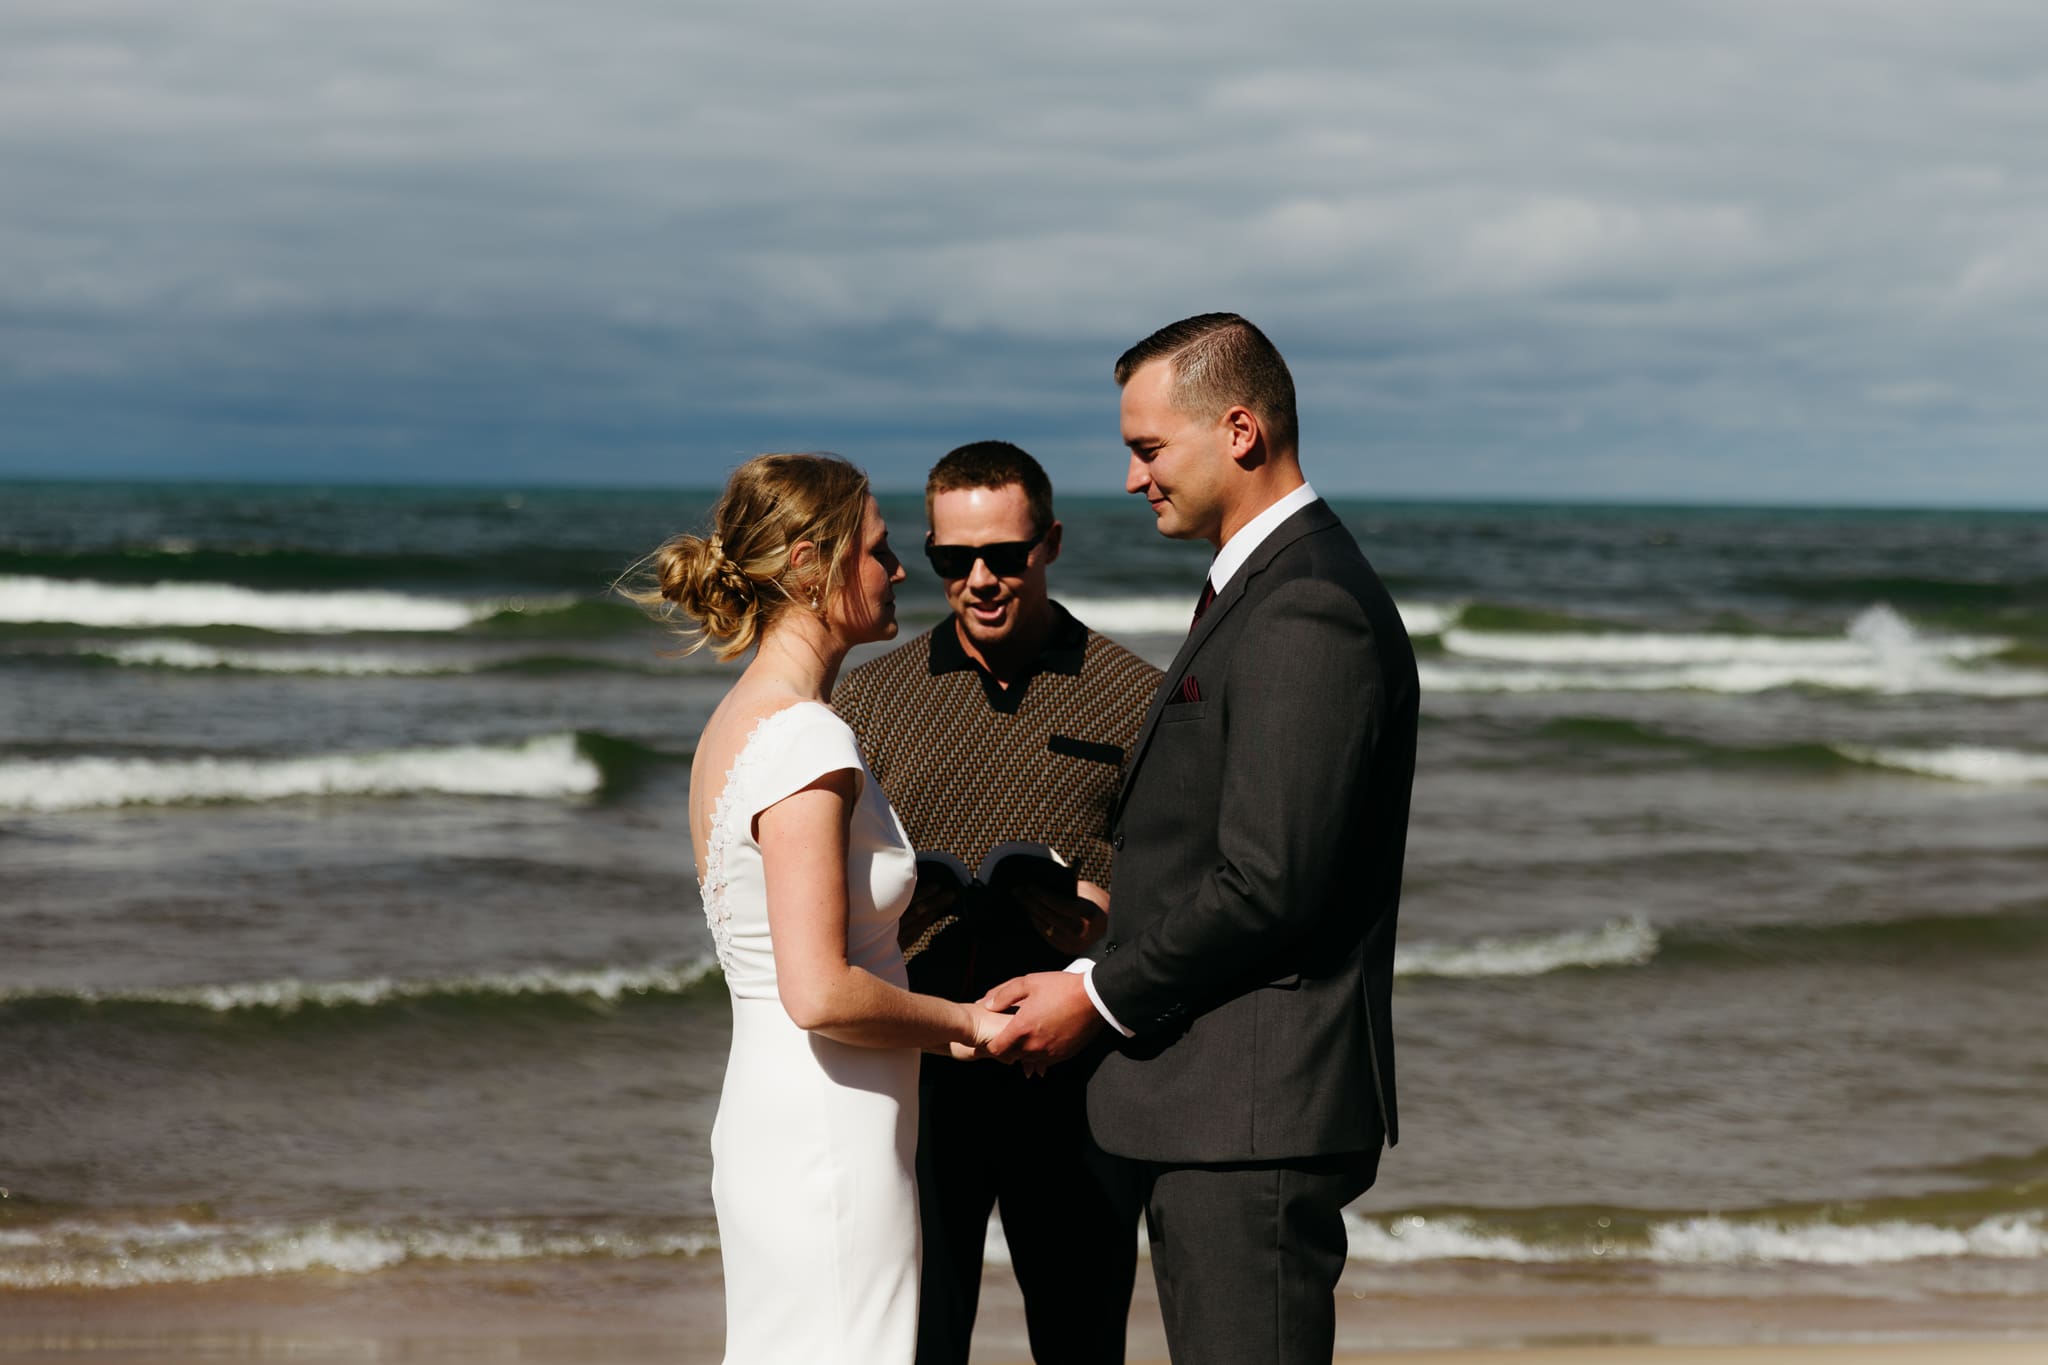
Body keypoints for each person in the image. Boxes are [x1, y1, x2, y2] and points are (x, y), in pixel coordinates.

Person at [983, 316, 1420, 1365]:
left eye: (1145, 449)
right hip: (1219, 1108)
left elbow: (1270, 882)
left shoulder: (1305, 606)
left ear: (1236, 431)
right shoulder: (1259, 588)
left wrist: (1093, 994)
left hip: (1253, 1117)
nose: (1132, 480)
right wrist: (1102, 922)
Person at [645, 452, 1009, 1365]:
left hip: (779, 1113)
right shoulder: (808, 737)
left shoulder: (739, 723)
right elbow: (818, 989)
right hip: (826, 1130)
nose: (896, 571)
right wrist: (964, 1021)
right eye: (880, 551)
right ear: (812, 564)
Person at [833, 441, 1161, 1365]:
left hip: (1079, 1076)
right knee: (921, 1339)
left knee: (1082, 1340)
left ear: (1049, 542)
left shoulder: (1137, 696)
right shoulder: (870, 704)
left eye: (1005, 556)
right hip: (923, 1069)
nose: (979, 580)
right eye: (952, 559)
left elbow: (1178, 876)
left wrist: (1105, 914)